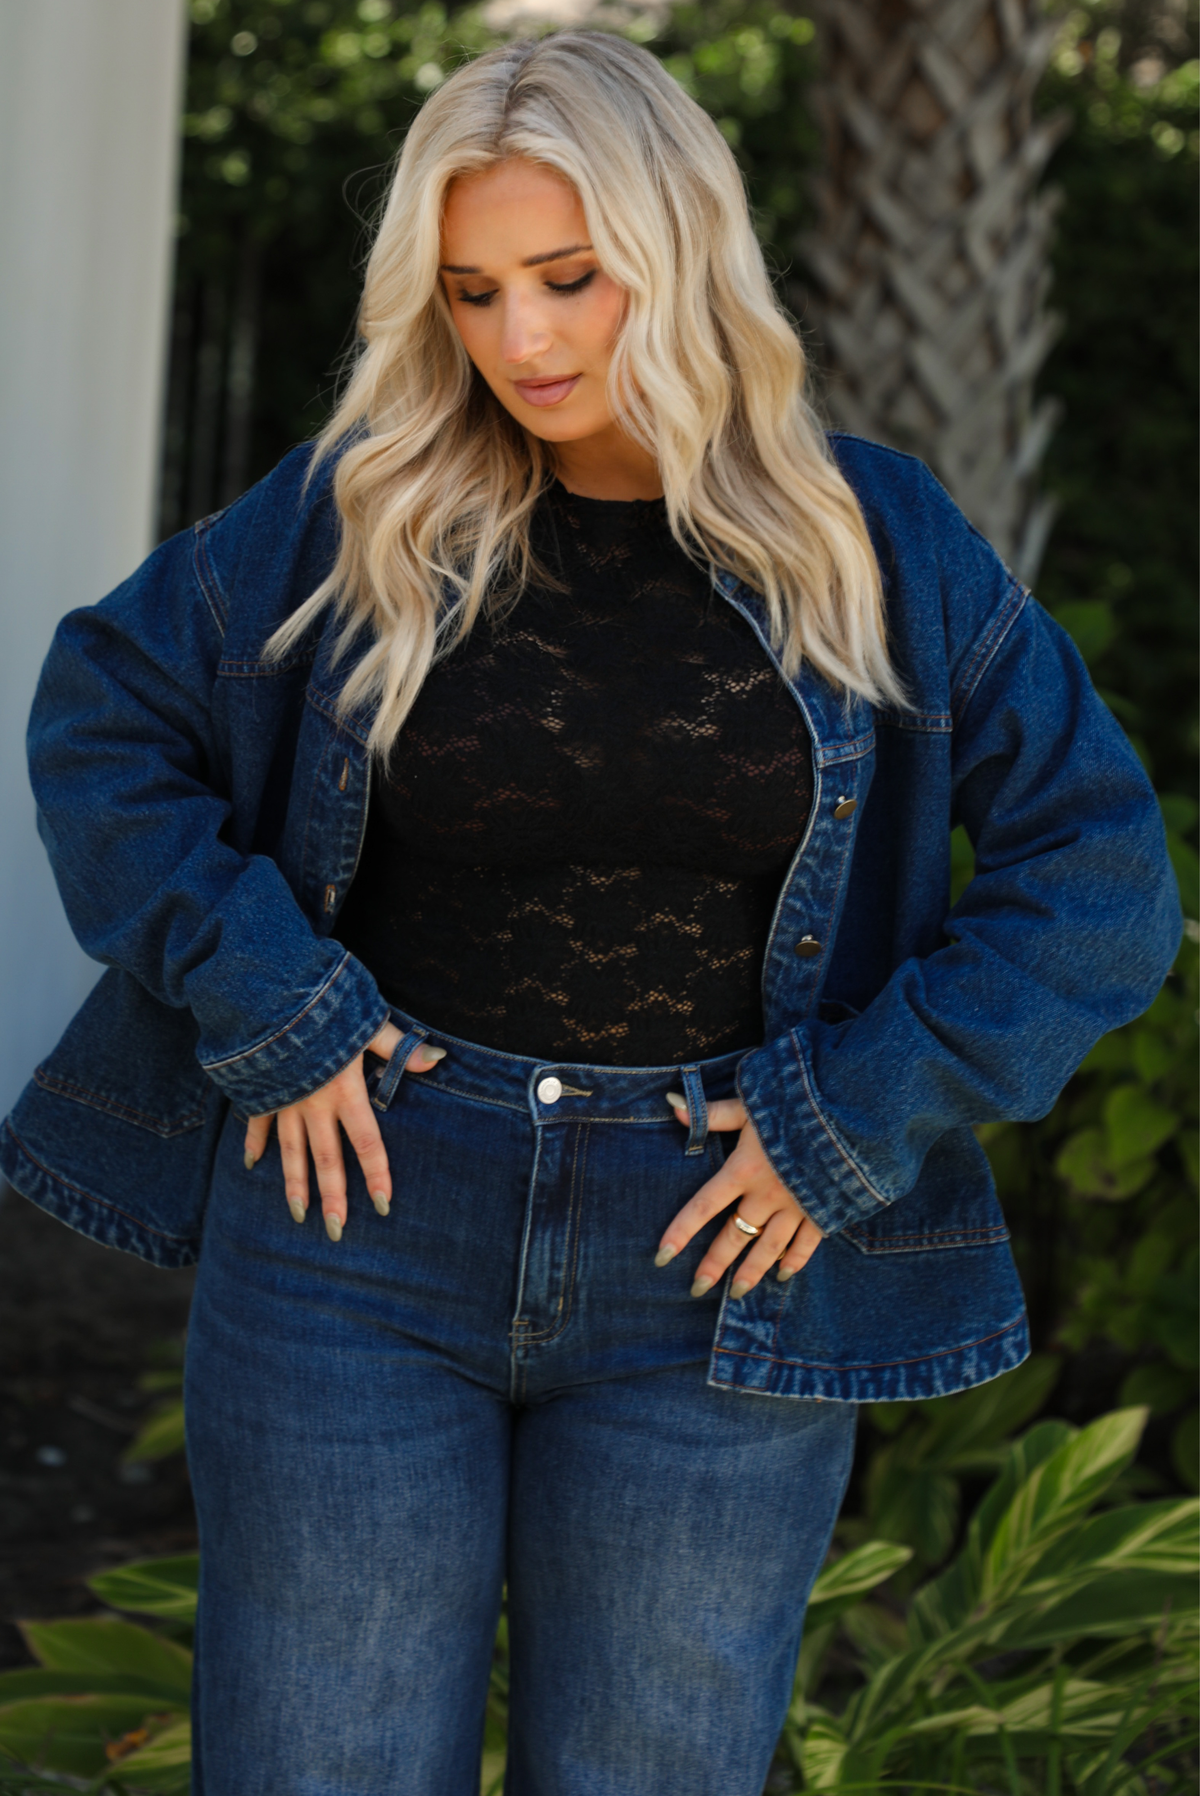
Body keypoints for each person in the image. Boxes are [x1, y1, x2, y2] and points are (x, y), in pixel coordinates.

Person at [1, 30, 1179, 1796]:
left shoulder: (881, 546)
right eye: (473, 292)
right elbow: (105, 713)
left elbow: (1101, 882)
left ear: (685, 251)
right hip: (356, 1232)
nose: (524, 342)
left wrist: (846, 1120)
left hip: (724, 1263)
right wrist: (276, 1002)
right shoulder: (363, 513)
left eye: (570, 278)